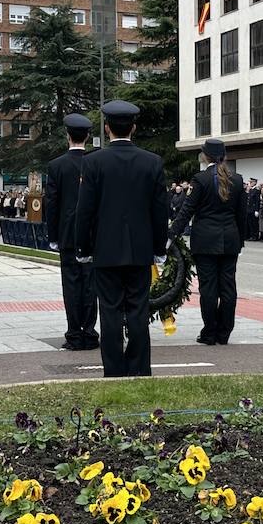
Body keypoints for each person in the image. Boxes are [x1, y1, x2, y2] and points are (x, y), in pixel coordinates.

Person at [73, 100, 169, 378]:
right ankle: (139, 367)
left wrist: (83, 246)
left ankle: (114, 369)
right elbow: (159, 210)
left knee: (110, 310)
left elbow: (85, 210)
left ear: (107, 128)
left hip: (106, 248)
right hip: (140, 250)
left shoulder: (93, 161)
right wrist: (159, 248)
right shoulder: (152, 162)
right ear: (134, 128)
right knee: (138, 308)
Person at [168, 138, 246, 346]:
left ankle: (209, 332)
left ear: (204, 156)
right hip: (230, 239)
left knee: (209, 288)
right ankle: (224, 332)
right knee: (228, 288)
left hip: (205, 241)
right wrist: (241, 242)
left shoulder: (200, 179)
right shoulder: (237, 179)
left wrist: (171, 235)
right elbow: (241, 215)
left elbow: (186, 211)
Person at [44, 113, 99, 351]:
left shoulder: (56, 166)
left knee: (71, 285)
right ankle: (89, 331)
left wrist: (53, 236)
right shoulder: (96, 162)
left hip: (67, 234)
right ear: (87, 136)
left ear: (67, 136)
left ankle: (74, 333)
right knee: (90, 286)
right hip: (92, 235)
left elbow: (51, 204)